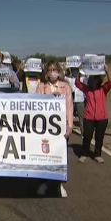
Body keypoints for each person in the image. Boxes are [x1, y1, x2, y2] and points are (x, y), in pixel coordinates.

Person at [35, 61, 73, 198]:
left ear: (59, 71)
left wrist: (69, 126)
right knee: (44, 157)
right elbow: (36, 105)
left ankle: (59, 184)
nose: (52, 72)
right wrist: (49, 97)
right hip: (44, 128)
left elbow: (69, 108)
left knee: (60, 156)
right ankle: (43, 183)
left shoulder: (65, 87)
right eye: (49, 70)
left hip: (60, 128)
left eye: (54, 69)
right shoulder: (41, 86)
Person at [75, 70, 111, 163]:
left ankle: (97, 154)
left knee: (99, 137)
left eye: (95, 79)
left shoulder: (103, 89)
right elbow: (77, 83)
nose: (92, 81)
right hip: (89, 117)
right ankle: (84, 154)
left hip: (102, 118)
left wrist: (107, 70)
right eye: (91, 79)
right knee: (87, 136)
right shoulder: (86, 89)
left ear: (98, 80)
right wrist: (80, 71)